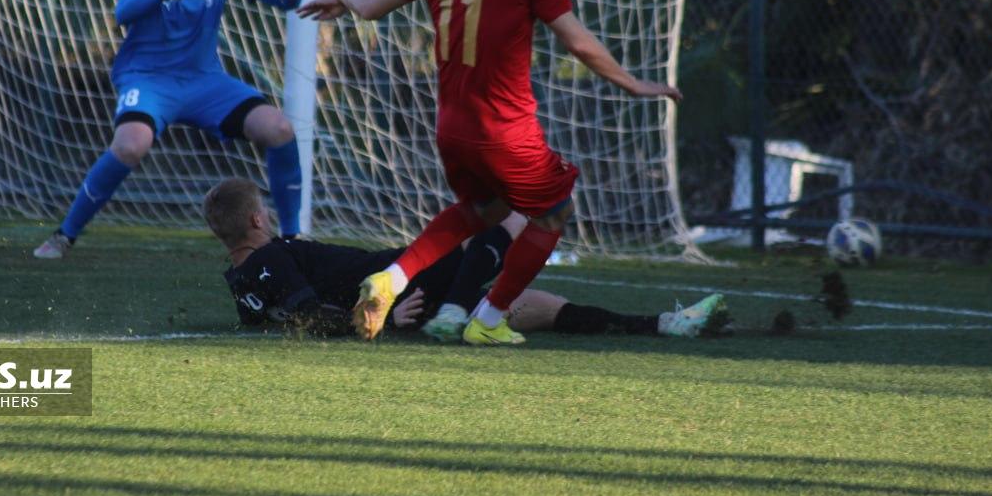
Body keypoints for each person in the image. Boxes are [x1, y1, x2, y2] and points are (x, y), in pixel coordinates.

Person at [298, 0, 682, 345]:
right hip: (505, 128)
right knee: (553, 209)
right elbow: (577, 41)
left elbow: (370, 8)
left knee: (486, 211)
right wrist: (636, 83)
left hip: (452, 128)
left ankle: (391, 278)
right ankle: (490, 318)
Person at [34, 0, 308, 258]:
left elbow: (276, 0)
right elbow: (123, 14)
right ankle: (64, 235)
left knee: (279, 129)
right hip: (149, 81)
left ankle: (292, 242)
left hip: (205, 81)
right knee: (131, 145)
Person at [203, 177, 726, 340]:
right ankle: (455, 312)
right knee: (517, 213)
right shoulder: (270, 254)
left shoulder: (241, 278)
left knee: (524, 305)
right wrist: (378, 323)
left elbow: (281, 318)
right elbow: (310, 312)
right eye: (263, 212)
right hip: (400, 280)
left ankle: (662, 325)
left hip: (401, 296)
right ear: (255, 221)